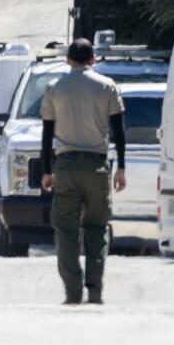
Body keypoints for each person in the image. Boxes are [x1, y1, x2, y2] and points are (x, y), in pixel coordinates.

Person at [39, 38, 127, 305]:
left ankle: (73, 291)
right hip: (97, 166)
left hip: (66, 166)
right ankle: (95, 288)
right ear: (93, 60)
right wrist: (121, 167)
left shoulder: (55, 88)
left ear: (68, 60)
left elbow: (47, 133)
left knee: (65, 229)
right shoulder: (107, 86)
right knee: (97, 227)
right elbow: (119, 132)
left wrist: (47, 171)